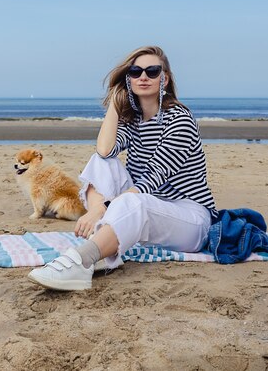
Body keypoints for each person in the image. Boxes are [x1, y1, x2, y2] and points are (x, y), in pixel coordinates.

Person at [28, 45, 217, 291]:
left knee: (135, 201)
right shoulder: (135, 119)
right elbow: (105, 151)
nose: (143, 77)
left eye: (152, 71)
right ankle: (103, 244)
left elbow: (153, 180)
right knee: (101, 162)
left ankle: (81, 262)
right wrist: (116, 103)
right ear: (128, 78)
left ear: (165, 78)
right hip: (146, 206)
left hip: (190, 218)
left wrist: (101, 209)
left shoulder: (179, 119)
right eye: (136, 71)